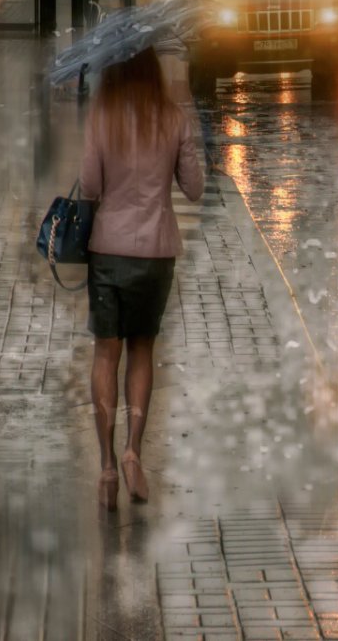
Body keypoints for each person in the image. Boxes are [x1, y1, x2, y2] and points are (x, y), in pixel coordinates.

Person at [79, 46, 205, 508]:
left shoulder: (102, 116)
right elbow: (194, 188)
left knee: (105, 355)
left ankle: (107, 467)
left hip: (107, 251)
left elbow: (89, 187)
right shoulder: (171, 116)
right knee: (142, 351)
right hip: (156, 253)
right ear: (152, 68)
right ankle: (134, 450)